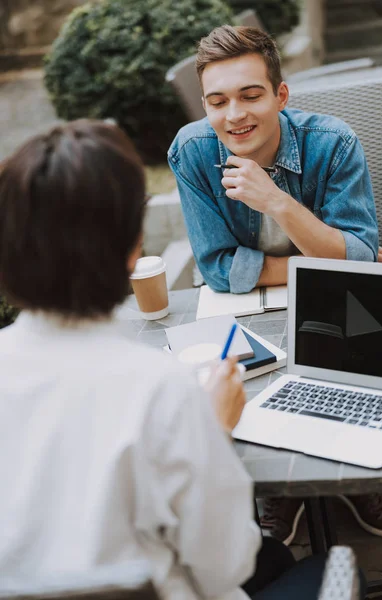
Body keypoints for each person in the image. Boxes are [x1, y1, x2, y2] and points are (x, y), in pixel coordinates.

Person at [0, 119, 355, 600]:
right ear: (133, 250)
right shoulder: (162, 390)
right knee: (314, 566)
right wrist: (211, 432)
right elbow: (225, 565)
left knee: (274, 556)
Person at [168, 25, 382, 546]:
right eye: (218, 101)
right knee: (240, 378)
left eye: (251, 95)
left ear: (281, 94)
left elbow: (360, 264)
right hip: (251, 303)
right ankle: (280, 490)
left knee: (344, 364)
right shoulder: (193, 150)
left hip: (340, 304)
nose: (234, 115)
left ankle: (359, 481)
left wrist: (275, 201)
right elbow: (217, 267)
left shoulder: (333, 143)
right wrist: (323, 254)